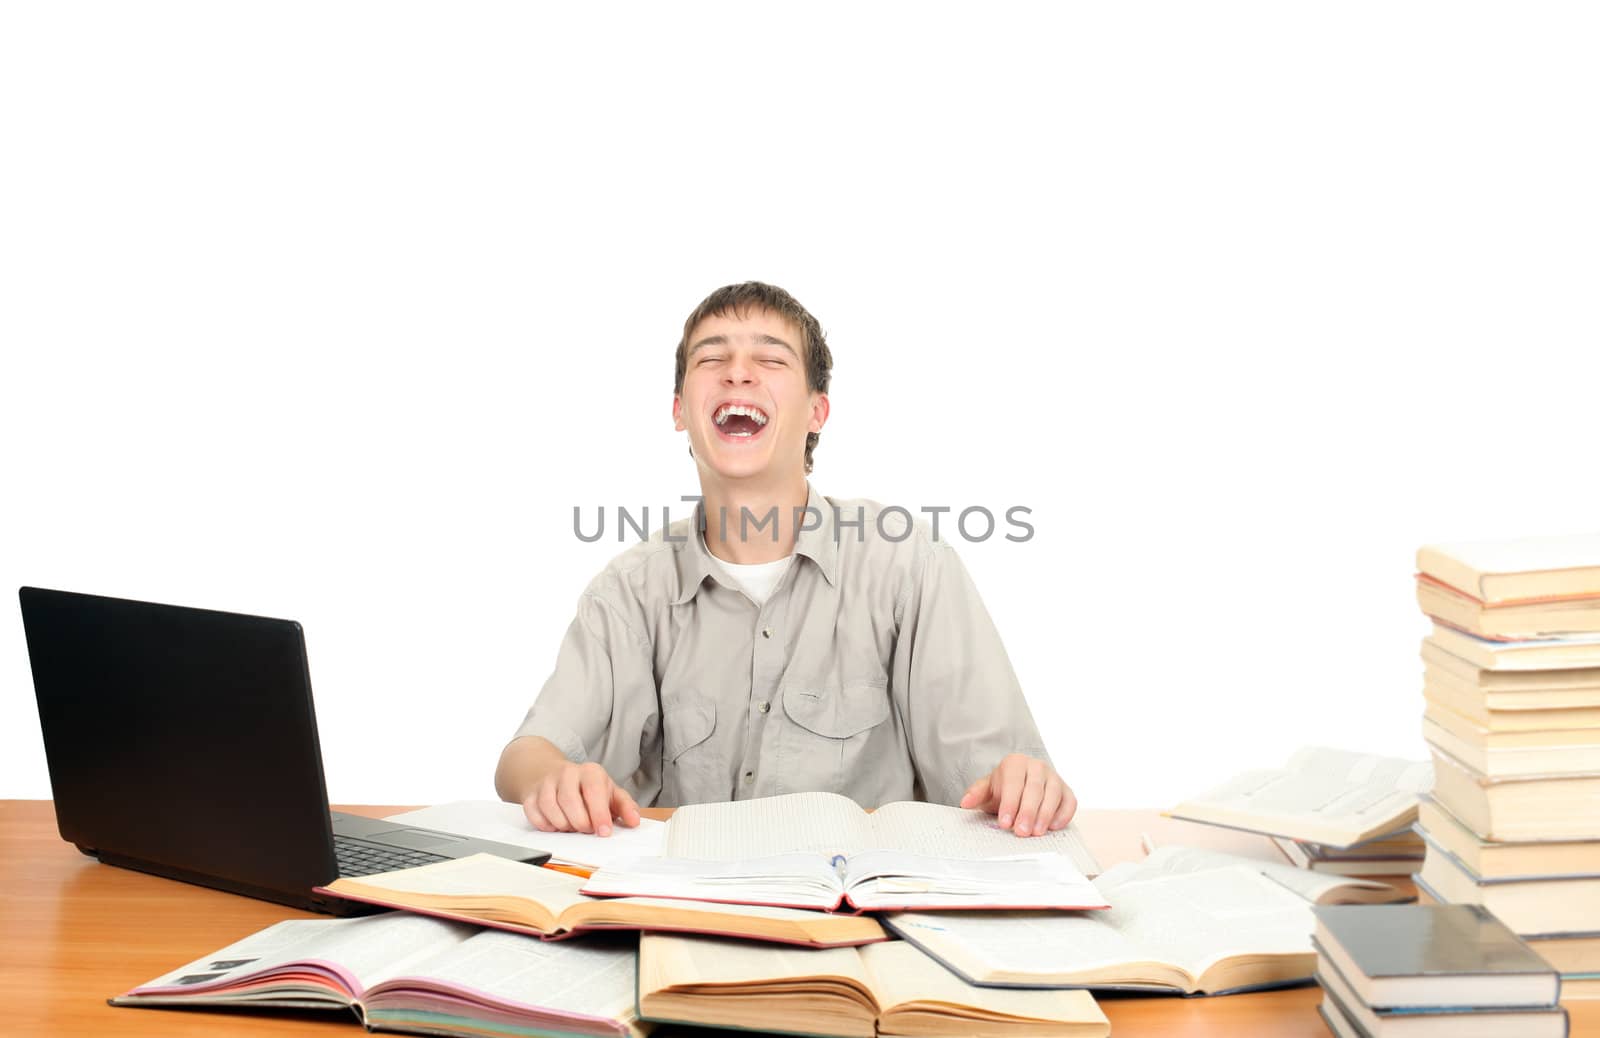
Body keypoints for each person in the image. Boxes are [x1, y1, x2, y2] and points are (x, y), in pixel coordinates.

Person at [494, 282, 1074, 838]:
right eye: (710, 359)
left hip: (858, 916)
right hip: (691, 915)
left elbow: (990, 771)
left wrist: (1018, 783)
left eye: (771, 361)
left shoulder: (909, 565)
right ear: (679, 411)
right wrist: (553, 780)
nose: (738, 371)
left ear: (817, 412)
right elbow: (526, 755)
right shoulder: (630, 590)